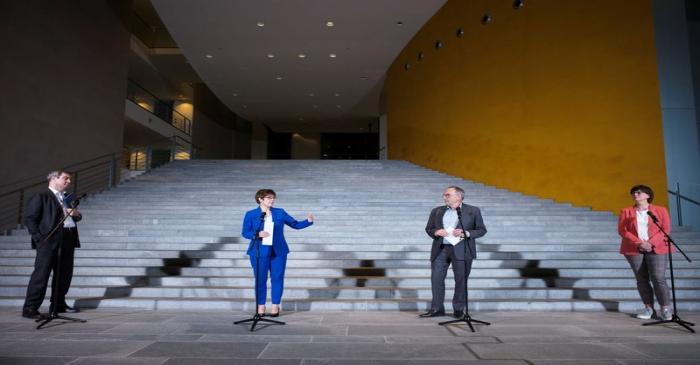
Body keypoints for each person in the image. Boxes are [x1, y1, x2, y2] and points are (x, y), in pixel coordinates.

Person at [241, 189, 313, 317]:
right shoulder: (251, 214)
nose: (272, 200)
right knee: (260, 280)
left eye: (273, 197)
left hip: (278, 251)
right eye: (269, 198)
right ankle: (260, 307)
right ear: (260, 199)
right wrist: (257, 234)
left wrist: (308, 221)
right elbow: (245, 232)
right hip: (259, 252)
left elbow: (295, 224)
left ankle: (275, 306)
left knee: (277, 278)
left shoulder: (280, 212)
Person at [22, 171, 82, 319]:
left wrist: (76, 214)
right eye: (65, 178)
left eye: (69, 179)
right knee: (41, 275)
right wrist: (39, 238)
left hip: (68, 238)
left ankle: (58, 304)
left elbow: (76, 216)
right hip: (48, 240)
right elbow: (30, 219)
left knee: (64, 275)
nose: (68, 181)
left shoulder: (68, 197)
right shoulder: (41, 196)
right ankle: (30, 308)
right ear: (53, 179)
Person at [420, 186, 487, 318]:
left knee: (461, 280)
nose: (444, 197)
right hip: (441, 249)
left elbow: (481, 230)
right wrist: (436, 232)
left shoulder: (472, 210)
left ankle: (458, 310)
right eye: (444, 195)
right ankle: (437, 309)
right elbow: (429, 228)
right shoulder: (437, 211)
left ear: (458, 196)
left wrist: (465, 233)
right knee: (436, 279)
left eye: (447, 195)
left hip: (462, 250)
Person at [618, 184, 673, 320]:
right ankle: (649, 308)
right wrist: (640, 243)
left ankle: (665, 309)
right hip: (633, 248)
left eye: (638, 192)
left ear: (647, 195)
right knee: (641, 279)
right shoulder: (626, 211)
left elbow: (665, 229)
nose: (635, 195)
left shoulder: (660, 210)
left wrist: (651, 243)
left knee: (658, 278)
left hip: (657, 247)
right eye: (633, 193)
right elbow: (622, 230)